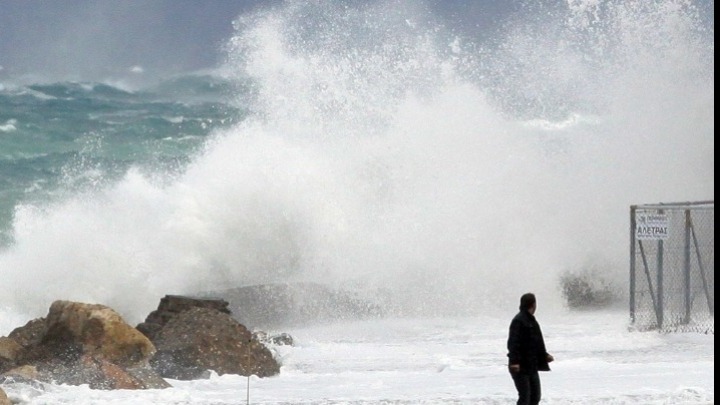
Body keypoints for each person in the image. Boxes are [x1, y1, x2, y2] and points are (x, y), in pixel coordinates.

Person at [507, 292, 554, 405]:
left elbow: (537, 342)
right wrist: (514, 362)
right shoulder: (518, 320)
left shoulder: (532, 320)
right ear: (533, 304)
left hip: (531, 365)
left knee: (535, 396)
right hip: (520, 366)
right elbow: (513, 343)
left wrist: (545, 355)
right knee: (525, 397)